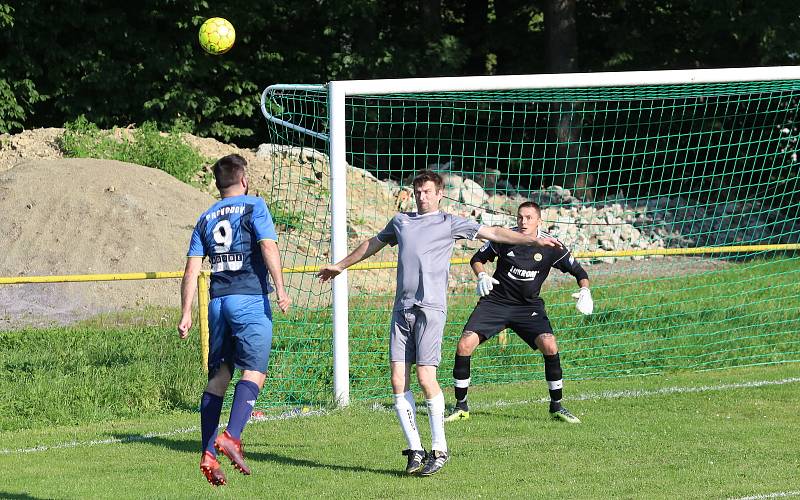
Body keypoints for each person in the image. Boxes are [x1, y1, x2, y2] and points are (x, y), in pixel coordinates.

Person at [316, 171, 560, 477]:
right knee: (396, 380)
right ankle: (416, 449)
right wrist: (339, 266)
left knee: (424, 377)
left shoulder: (449, 222)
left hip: (430, 309)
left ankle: (440, 449)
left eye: (427, 192)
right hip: (401, 310)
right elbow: (372, 243)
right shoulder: (401, 222)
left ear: (439, 194)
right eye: (417, 192)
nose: (421, 197)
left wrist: (532, 237)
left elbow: (495, 232)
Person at [177, 154, 291, 486]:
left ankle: (208, 453)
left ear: (218, 183)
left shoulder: (205, 217)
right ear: (243, 179)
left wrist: (186, 313)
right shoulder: (254, 205)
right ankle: (232, 437)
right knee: (255, 371)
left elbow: (192, 269)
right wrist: (281, 289)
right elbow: (268, 247)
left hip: (217, 304)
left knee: (219, 376)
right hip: (249, 299)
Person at [444, 201, 592, 425]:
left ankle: (557, 406)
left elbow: (579, 271)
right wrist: (482, 275)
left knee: (550, 344)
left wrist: (585, 290)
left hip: (528, 307)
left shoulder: (552, 246)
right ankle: (461, 406)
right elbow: (476, 259)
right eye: (520, 217)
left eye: (529, 218)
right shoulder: (505, 238)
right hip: (496, 302)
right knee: (465, 344)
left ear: (539, 221)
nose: (524, 222)